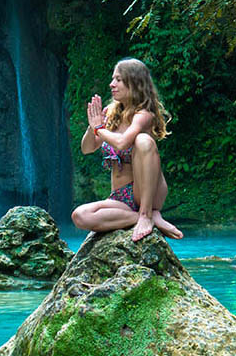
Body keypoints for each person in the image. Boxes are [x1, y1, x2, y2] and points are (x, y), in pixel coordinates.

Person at [71, 58, 183, 241]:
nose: (111, 84)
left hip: (146, 191)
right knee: (80, 215)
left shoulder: (144, 115)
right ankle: (146, 217)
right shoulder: (111, 113)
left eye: (118, 80)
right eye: (113, 79)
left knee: (143, 140)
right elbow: (87, 148)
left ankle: (147, 213)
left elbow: (122, 142)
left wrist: (100, 129)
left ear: (135, 83)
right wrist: (93, 127)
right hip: (120, 197)